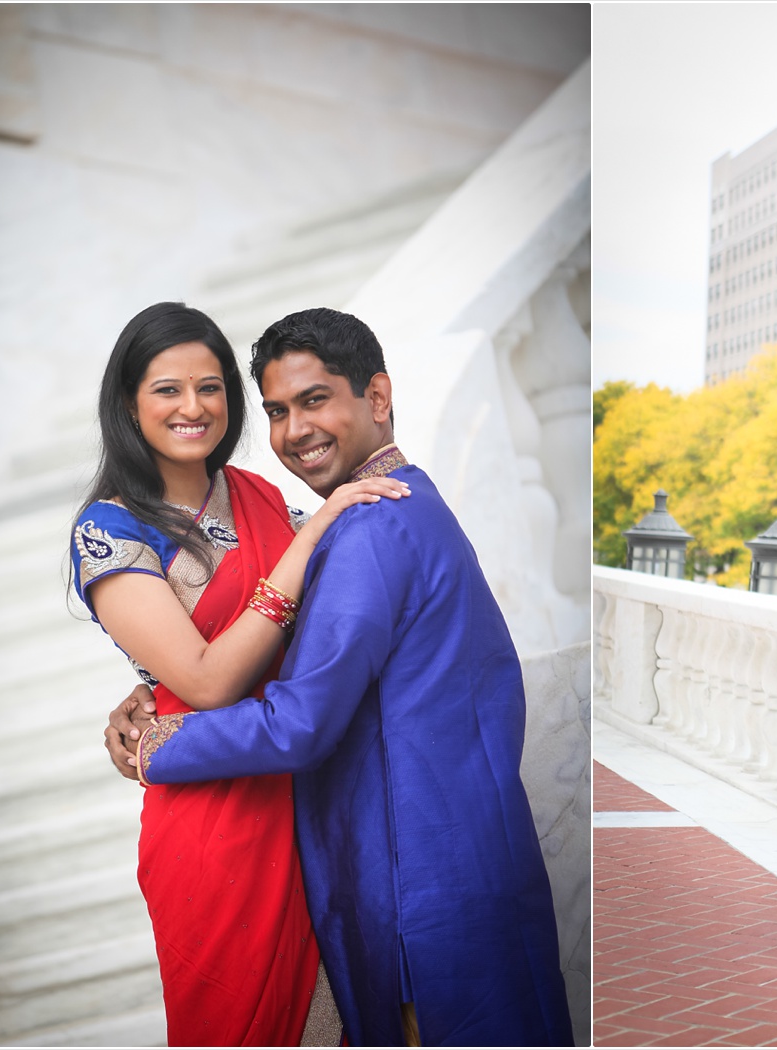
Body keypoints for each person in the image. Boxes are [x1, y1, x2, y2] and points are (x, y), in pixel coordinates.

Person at [106, 307, 574, 1047]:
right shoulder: (410, 502)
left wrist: (157, 746)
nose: (295, 431)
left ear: (377, 399)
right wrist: (151, 683)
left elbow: (299, 722)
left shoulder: (367, 531)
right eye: (278, 412)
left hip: (416, 888)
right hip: (471, 857)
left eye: (316, 400)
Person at [70, 303, 410, 1044]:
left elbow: (320, 629)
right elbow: (205, 680)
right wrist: (314, 530)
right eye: (168, 389)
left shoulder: (255, 496)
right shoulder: (112, 528)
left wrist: (140, 695)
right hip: (211, 827)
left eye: (211, 386)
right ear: (129, 402)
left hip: (306, 796)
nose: (193, 408)